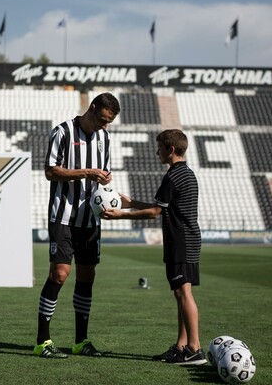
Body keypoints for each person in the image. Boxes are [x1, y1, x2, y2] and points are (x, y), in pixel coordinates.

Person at [101, 129, 207, 365]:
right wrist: (130, 204)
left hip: (180, 241)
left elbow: (155, 213)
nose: (156, 151)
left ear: (171, 150)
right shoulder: (186, 173)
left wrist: (120, 215)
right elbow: (162, 206)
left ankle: (194, 348)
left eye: (159, 147)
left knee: (183, 293)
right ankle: (182, 346)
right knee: (180, 293)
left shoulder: (172, 176)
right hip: (189, 239)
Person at [34, 92, 121, 358]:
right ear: (92, 108)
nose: (104, 126)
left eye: (109, 122)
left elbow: (101, 174)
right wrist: (87, 172)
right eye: (102, 119)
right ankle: (43, 342)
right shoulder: (62, 132)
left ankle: (81, 341)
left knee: (87, 276)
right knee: (59, 274)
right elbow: (50, 171)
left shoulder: (105, 138)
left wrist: (105, 182)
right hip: (63, 216)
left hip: (91, 218)